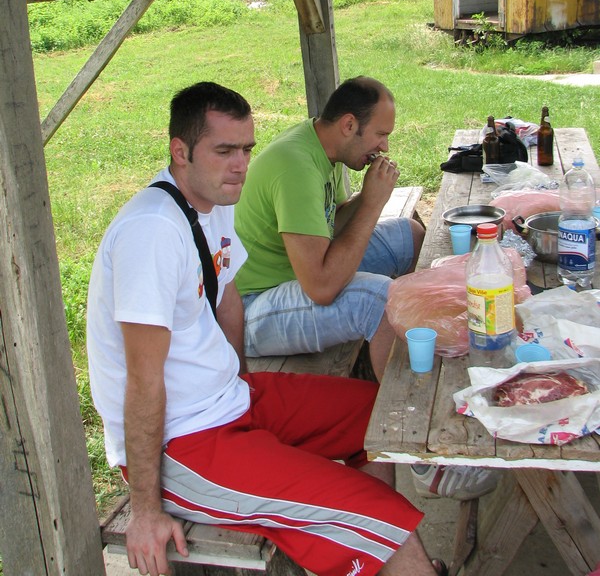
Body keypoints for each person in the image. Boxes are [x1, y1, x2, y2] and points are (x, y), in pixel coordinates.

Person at [87, 81, 447, 576]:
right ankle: (384, 544)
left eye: (246, 149)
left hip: (230, 399)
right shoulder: (151, 232)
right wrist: (146, 511)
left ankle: (372, 553)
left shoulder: (212, 202)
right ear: (180, 151)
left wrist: (238, 382)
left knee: (382, 417)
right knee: (381, 517)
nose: (240, 165)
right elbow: (142, 381)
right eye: (224, 151)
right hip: (183, 444)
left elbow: (229, 301)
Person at [235, 75, 499, 502]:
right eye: (380, 134)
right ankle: (418, 440)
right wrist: (373, 202)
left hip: (299, 274)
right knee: (381, 300)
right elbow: (321, 286)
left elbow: (330, 225)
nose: (385, 146)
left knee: (409, 236)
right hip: (253, 308)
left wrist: (366, 198)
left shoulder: (325, 148)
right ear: (348, 125)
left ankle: (427, 357)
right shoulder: (295, 165)